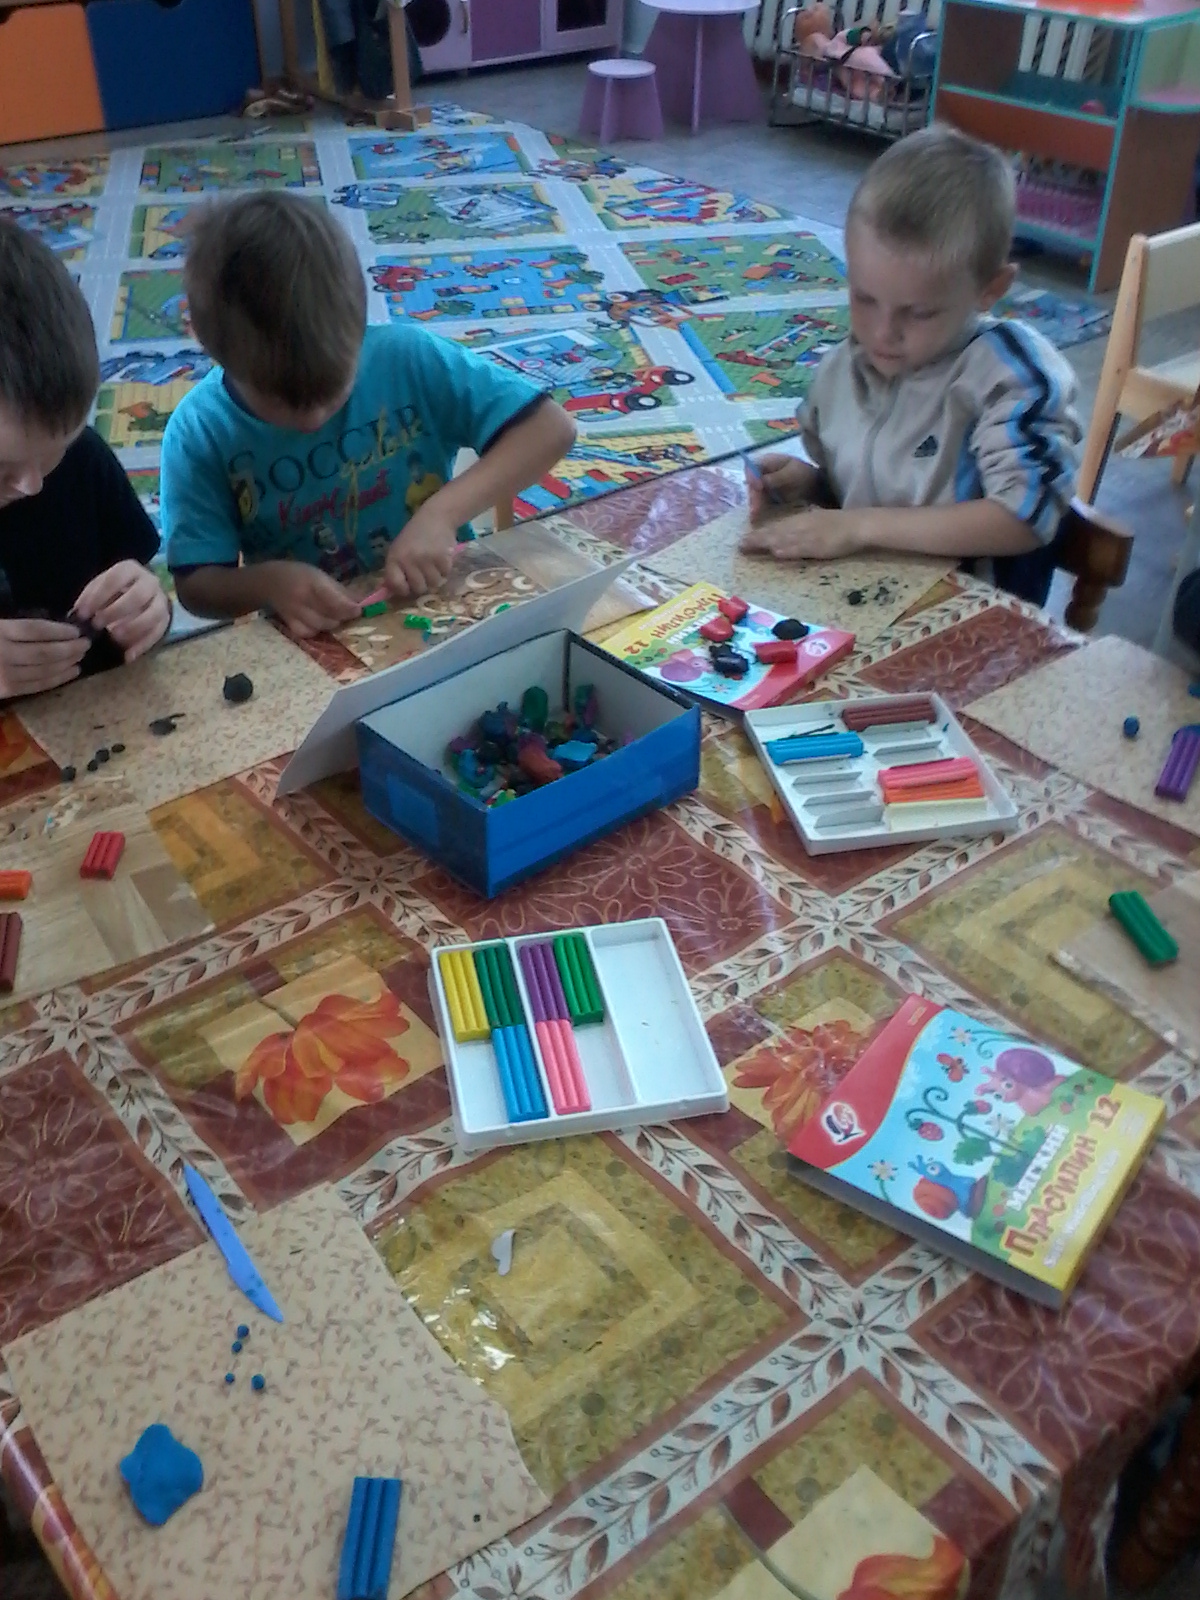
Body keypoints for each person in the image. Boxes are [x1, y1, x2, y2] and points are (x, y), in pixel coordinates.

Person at [161, 194, 576, 637]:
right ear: (205, 342)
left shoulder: (406, 357)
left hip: (448, 608)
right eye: (279, 402)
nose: (314, 419)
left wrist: (441, 515)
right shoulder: (198, 432)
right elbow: (196, 587)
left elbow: (552, 428)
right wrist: (268, 584)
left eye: (334, 391)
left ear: (361, 322)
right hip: (314, 639)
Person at [744, 125, 1081, 605]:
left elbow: (1025, 516)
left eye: (919, 313)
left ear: (991, 289)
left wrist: (857, 526)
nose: (883, 332)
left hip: (967, 617)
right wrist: (816, 484)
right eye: (864, 299)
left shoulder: (1008, 376)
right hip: (855, 599)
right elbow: (868, 491)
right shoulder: (843, 370)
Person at [0, 221, 170, 700]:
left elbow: (136, 582)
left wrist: (150, 610)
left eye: (55, 450)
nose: (32, 484)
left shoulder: (84, 462)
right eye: (3, 467)